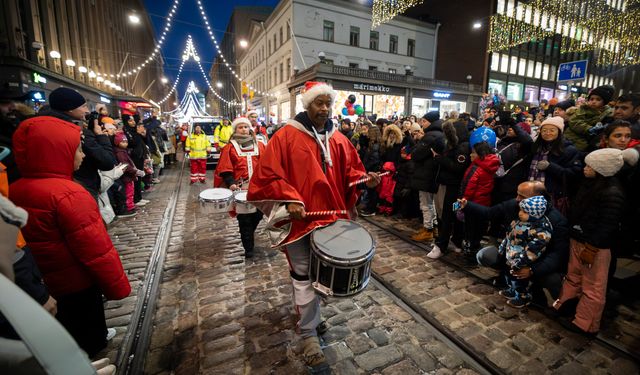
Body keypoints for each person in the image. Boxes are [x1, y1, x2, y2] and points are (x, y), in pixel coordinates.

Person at [247, 81, 378, 372]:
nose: (324, 109)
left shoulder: (338, 137)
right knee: (303, 276)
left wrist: (364, 179)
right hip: (299, 222)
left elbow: (351, 170)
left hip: (330, 220)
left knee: (321, 275)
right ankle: (308, 336)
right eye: (319, 103)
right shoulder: (285, 136)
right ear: (306, 104)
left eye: (328, 103)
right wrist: (290, 198)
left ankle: (311, 319)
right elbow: (267, 175)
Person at [10, 113, 131, 356]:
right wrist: (117, 287)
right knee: (89, 340)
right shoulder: (69, 194)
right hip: (76, 283)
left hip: (42, 283)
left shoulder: (13, 189)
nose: (83, 155)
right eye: (78, 150)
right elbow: (95, 250)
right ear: (57, 153)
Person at [553, 148, 632, 334]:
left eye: (590, 166)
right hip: (579, 238)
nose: (585, 168)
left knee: (593, 286)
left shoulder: (612, 192)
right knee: (573, 276)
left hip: (593, 245)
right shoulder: (590, 184)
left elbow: (607, 224)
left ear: (601, 169)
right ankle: (566, 307)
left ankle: (585, 323)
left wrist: (593, 245)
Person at [467, 181, 569, 304]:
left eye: (522, 196)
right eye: (517, 194)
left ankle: (535, 290)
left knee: (551, 280)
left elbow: (557, 255)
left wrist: (532, 270)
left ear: (537, 199)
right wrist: (467, 205)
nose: (517, 199)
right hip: (514, 254)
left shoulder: (556, 221)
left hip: (536, 261)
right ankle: (510, 282)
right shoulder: (515, 204)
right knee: (484, 255)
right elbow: (490, 213)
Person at [38, 88, 116, 200]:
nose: (87, 111)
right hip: (81, 186)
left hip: (53, 188)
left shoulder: (44, 126)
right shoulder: (75, 131)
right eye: (83, 106)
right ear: (69, 108)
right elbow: (107, 161)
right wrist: (100, 136)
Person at [214, 117, 266, 258]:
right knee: (244, 219)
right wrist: (230, 182)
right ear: (235, 129)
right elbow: (225, 168)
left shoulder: (260, 145)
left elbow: (267, 165)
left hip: (259, 188)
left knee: (258, 215)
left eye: (246, 127)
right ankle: (248, 247)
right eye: (240, 127)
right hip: (240, 188)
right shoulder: (230, 147)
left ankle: (249, 233)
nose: (244, 129)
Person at [498, 195, 553, 308]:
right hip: (510, 255)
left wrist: (521, 261)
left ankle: (522, 296)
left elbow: (534, 250)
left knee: (520, 280)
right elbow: (509, 235)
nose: (520, 213)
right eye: (520, 210)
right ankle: (512, 289)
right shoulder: (519, 221)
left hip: (522, 260)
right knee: (509, 275)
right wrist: (502, 247)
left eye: (524, 211)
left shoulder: (541, 230)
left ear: (534, 214)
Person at [428, 120, 470, 258]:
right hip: (451, 186)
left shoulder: (462, 147)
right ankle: (454, 242)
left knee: (448, 215)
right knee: (450, 215)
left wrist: (439, 158)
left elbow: (457, 167)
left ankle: (443, 245)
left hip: (454, 189)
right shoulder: (455, 145)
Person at [526, 116, 582, 216]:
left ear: (559, 132)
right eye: (544, 130)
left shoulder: (569, 150)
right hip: (532, 192)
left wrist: (550, 167)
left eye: (552, 130)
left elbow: (574, 175)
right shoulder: (537, 148)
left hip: (553, 196)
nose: (547, 133)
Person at [458, 128, 500, 256]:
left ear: (479, 154)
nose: (470, 155)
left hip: (471, 203)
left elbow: (468, 187)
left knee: (470, 228)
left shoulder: (476, 168)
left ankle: (470, 251)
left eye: (473, 153)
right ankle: (475, 247)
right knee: (479, 228)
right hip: (484, 203)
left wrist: (461, 203)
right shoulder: (491, 165)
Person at [410, 111, 444, 241]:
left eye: (424, 121)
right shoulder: (440, 134)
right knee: (431, 203)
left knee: (425, 203)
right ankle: (433, 227)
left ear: (431, 122)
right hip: (432, 173)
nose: (421, 124)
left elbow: (416, 154)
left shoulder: (430, 136)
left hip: (426, 173)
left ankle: (427, 229)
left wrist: (417, 145)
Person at [564, 85, 615, 152]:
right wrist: (588, 128)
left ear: (604, 102)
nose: (594, 101)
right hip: (571, 136)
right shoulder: (583, 108)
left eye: (598, 99)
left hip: (584, 141)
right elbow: (574, 121)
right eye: (591, 99)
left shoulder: (607, 113)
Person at [113, 131, 144, 216]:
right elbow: (125, 165)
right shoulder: (120, 153)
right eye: (123, 142)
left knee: (130, 191)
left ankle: (130, 205)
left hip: (129, 176)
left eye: (126, 142)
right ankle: (129, 207)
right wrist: (135, 171)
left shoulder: (123, 151)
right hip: (126, 176)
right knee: (128, 192)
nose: (125, 144)